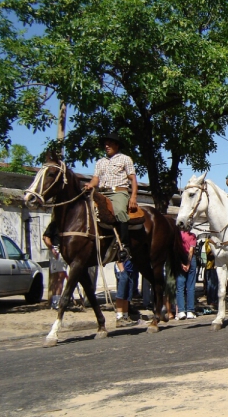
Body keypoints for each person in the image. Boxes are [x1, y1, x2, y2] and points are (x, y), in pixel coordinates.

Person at [84, 132, 139, 327]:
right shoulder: (100, 162)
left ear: (117, 144)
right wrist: (89, 185)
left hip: (119, 193)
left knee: (119, 213)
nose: (106, 146)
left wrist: (133, 196)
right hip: (101, 193)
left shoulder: (125, 159)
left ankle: (124, 246)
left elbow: (133, 179)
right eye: (105, 144)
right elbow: (96, 180)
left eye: (109, 143)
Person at [42, 220, 67, 310]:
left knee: (59, 277)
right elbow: (45, 237)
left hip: (62, 251)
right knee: (60, 277)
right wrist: (52, 249)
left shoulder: (65, 223)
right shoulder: (54, 224)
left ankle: (55, 301)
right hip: (57, 251)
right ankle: (56, 302)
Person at [175, 230, 198, 320]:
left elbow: (176, 250)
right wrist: (188, 263)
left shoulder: (178, 235)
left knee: (180, 287)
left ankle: (181, 311)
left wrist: (181, 263)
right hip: (191, 259)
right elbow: (191, 251)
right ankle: (190, 311)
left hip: (180, 258)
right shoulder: (192, 235)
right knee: (191, 286)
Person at [204, 238, 218, 309]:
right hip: (211, 266)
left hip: (215, 266)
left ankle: (214, 300)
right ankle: (212, 301)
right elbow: (209, 255)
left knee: (215, 285)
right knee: (212, 285)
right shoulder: (208, 241)